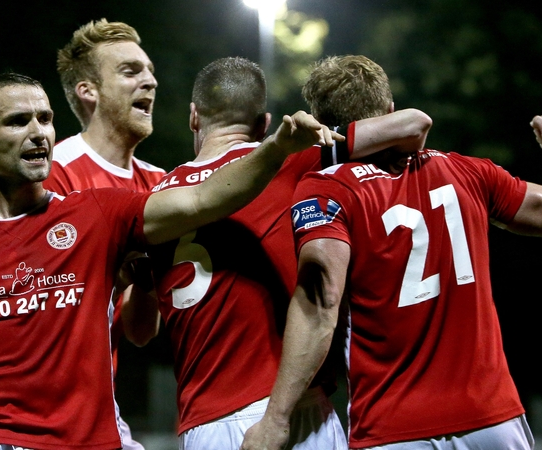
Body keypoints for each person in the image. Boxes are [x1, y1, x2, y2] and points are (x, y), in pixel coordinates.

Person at [0, 72, 341, 449]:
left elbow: (207, 198)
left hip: (90, 439)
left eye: (46, 119)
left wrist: (277, 148)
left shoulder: (97, 214)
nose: (38, 132)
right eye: (17, 121)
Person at [241, 55, 542, 450]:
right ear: (388, 110)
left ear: (324, 122)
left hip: (394, 426)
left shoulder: (326, 186)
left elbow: (320, 303)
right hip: (492, 421)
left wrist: (276, 419)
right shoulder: (467, 172)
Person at [147, 56, 432, 449]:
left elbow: (139, 326)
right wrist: (322, 136)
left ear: (194, 117)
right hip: (294, 406)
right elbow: (412, 124)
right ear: (264, 123)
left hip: (208, 419)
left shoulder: (153, 199)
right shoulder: (288, 162)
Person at [50, 19, 164, 448]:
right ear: (88, 91)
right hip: (42, 403)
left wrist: (147, 282)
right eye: (131, 71)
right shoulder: (53, 174)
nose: (150, 81)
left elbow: (139, 331)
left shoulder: (158, 185)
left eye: (150, 70)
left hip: (98, 400)